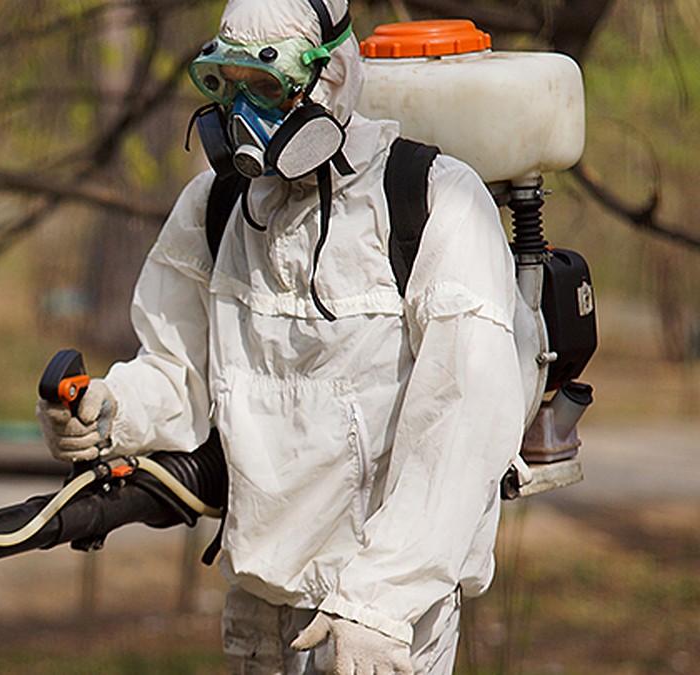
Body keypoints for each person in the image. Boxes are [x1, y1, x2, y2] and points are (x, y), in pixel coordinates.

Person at [37, 0, 525, 672]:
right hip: (263, 594)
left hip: (382, 604)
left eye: (266, 88)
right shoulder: (218, 206)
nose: (242, 115)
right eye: (226, 87)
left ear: (331, 77)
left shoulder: (436, 200)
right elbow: (179, 373)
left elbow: (464, 421)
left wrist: (382, 598)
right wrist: (110, 410)